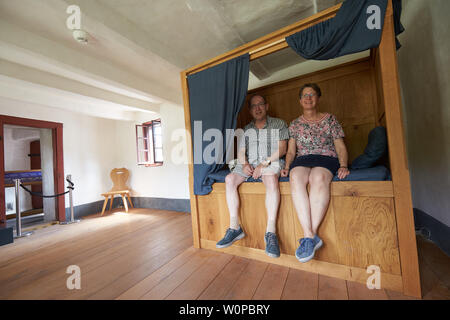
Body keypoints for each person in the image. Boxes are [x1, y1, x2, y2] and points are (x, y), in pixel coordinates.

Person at [281, 83, 350, 263]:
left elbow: (340, 146)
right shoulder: (295, 124)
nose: (308, 98)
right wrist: (287, 166)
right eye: (305, 95)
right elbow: (290, 151)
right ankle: (311, 236)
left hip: (326, 157)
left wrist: (343, 165)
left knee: (317, 177)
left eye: (312, 94)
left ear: (318, 98)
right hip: (303, 159)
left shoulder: (330, 119)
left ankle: (308, 238)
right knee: (295, 177)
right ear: (300, 100)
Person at [216, 94, 289, 258]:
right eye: (254, 106)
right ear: (250, 110)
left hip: (271, 162)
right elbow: (241, 152)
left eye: (261, 104)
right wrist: (245, 164)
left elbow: (282, 149)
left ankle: (270, 233)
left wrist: (264, 164)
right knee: (229, 179)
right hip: (251, 164)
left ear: (267, 106)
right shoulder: (246, 129)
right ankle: (235, 228)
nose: (258, 108)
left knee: (270, 178)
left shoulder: (279, 123)